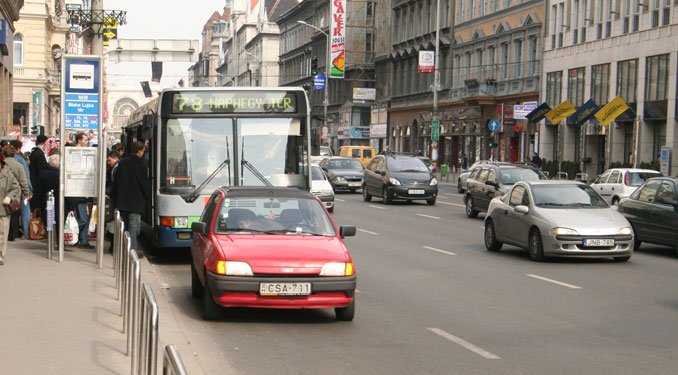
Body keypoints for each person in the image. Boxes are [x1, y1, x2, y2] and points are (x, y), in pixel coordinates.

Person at [112, 141, 150, 255]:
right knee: (134, 226)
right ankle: (132, 250)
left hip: (123, 201)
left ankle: (124, 248)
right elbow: (144, 183)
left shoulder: (122, 163)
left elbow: (117, 182)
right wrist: (147, 196)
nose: (143, 153)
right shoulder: (142, 164)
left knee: (126, 226)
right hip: (136, 202)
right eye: (143, 151)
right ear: (139, 151)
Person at [68, 132, 94, 249]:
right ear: (79, 140)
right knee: (83, 219)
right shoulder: (76, 152)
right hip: (78, 190)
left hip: (82, 190)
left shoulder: (81, 152)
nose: (86, 142)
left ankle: (83, 240)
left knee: (84, 217)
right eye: (84, 140)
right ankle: (67, 230)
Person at [3, 145, 31, 241]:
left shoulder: (2, 164)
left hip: (2, 192)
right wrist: (27, 192)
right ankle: (12, 234)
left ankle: (5, 233)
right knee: (14, 213)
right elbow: (23, 181)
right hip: (15, 193)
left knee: (3, 214)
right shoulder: (19, 165)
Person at [0, 153, 21, 265]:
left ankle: (0, 256)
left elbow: (16, 188)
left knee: (2, 234)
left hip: (3, 209)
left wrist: (9, 197)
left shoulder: (8, 174)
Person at [10, 140, 32, 240]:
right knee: (25, 211)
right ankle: (26, 233)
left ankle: (12, 233)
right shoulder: (21, 160)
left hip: (11, 189)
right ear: (19, 148)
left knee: (12, 211)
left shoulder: (8, 160)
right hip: (22, 189)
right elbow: (26, 177)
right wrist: (29, 190)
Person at [35, 154, 60, 238]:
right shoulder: (61, 175)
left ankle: (50, 238)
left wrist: (37, 204)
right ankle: (58, 240)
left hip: (45, 201)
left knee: (48, 220)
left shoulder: (43, 174)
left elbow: (38, 189)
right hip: (59, 202)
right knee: (58, 220)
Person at [29, 135, 49, 210]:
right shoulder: (40, 154)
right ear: (43, 143)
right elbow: (41, 170)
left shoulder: (34, 152)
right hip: (37, 185)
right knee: (37, 207)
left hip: (34, 182)